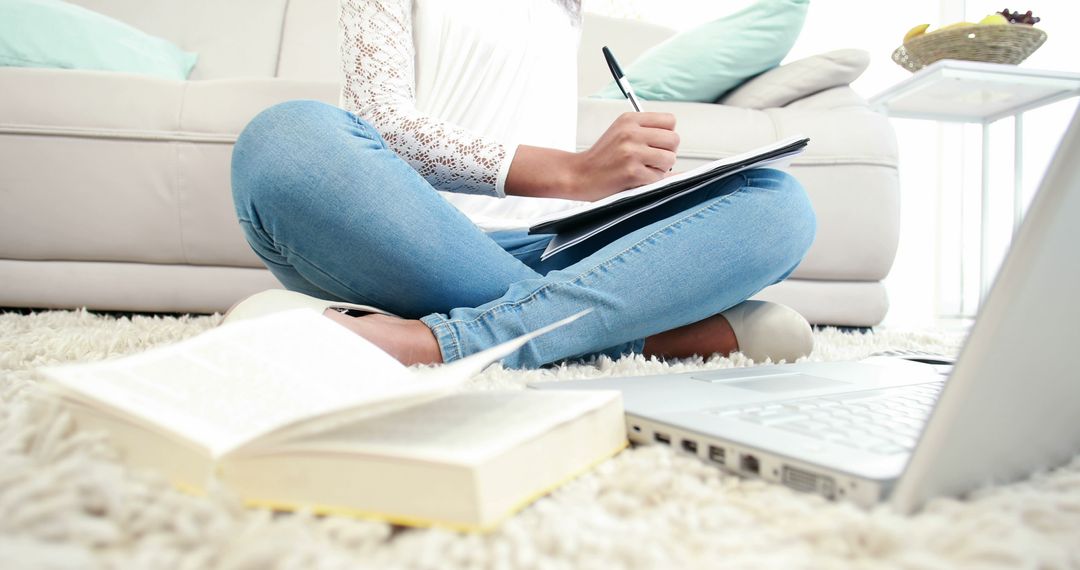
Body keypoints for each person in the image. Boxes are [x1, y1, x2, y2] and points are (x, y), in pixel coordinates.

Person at [227, 0, 817, 369]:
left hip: (553, 247)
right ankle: (638, 336)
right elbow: (384, 126)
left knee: (776, 203)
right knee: (288, 138)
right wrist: (574, 172)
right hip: (402, 235)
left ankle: (439, 345)